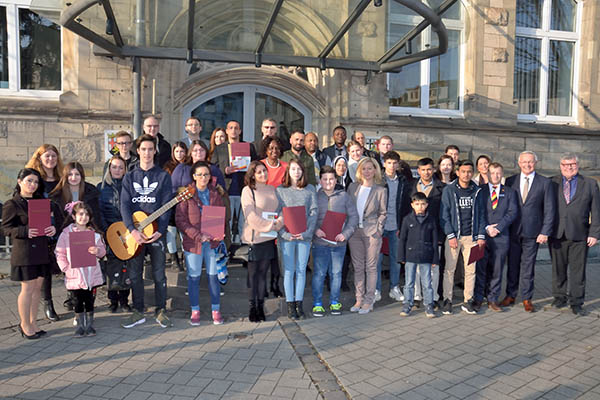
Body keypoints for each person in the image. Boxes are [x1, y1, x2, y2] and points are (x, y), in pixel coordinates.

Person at [1, 168, 63, 339]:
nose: (33, 185)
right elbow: (5, 229)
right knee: (27, 289)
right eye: (29, 180)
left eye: (36, 182)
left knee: (37, 289)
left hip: (42, 250)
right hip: (25, 252)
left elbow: (58, 219)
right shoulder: (12, 204)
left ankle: (33, 322)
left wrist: (53, 229)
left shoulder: (41, 202)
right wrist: (24, 231)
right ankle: (24, 324)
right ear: (20, 181)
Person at [120, 134, 173, 329]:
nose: (147, 153)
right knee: (135, 274)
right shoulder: (129, 176)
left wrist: (162, 230)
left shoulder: (163, 176)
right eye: (143, 149)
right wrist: (132, 231)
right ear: (138, 151)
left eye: (151, 149)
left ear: (155, 151)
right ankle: (138, 311)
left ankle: (161, 310)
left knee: (159, 274)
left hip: (157, 233)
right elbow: (124, 206)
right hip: (136, 235)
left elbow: (167, 205)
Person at [502, 151, 555, 313]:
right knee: (512, 265)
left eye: (530, 162)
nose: (527, 164)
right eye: (524, 162)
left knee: (528, 266)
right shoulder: (510, 181)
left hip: (533, 232)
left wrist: (545, 231)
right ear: (519, 163)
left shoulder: (544, 183)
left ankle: (526, 297)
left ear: (535, 163)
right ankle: (510, 295)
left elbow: (549, 209)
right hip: (513, 231)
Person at [175, 161, 226, 326]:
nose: (203, 177)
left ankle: (216, 310)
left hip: (211, 243)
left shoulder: (215, 194)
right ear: (194, 176)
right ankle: (195, 310)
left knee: (213, 277)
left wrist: (218, 233)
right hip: (193, 243)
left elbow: (220, 217)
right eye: (200, 174)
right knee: (194, 278)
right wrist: (198, 235)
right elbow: (181, 221)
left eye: (206, 174)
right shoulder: (186, 195)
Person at [549, 154, 600, 315]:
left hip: (580, 234)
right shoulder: (551, 182)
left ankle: (577, 302)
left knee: (578, 271)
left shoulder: (590, 184)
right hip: (557, 233)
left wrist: (594, 234)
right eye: (565, 164)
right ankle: (559, 297)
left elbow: (597, 211)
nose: (568, 167)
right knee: (558, 269)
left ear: (578, 165)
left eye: (572, 164)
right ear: (560, 166)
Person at [440, 159, 486, 315]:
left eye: (469, 172)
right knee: (449, 269)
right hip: (454, 237)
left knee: (471, 270)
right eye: (463, 171)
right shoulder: (449, 190)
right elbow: (444, 214)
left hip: (472, 238)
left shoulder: (477, 190)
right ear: (458, 172)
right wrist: (450, 235)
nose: (466, 174)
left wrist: (480, 236)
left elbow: (482, 215)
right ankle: (448, 300)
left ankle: (468, 300)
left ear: (472, 173)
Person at [311, 166, 358, 317]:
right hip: (320, 243)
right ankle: (317, 303)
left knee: (336, 274)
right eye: (325, 179)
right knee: (319, 273)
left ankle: (334, 301)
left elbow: (354, 217)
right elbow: (309, 217)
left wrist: (346, 233)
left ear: (336, 180)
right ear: (320, 181)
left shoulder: (344, 196)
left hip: (339, 243)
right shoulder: (315, 197)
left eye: (331, 179)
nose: (328, 182)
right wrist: (315, 230)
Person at [25, 144, 64, 321]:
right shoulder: (33, 178)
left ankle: (73, 297)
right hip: (41, 229)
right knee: (45, 268)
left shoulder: (62, 178)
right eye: (47, 156)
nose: (50, 159)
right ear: (39, 158)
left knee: (67, 263)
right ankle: (48, 303)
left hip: (60, 226)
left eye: (54, 156)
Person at [241, 161, 284, 322]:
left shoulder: (272, 189)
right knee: (253, 275)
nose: (263, 175)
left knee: (263, 275)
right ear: (252, 174)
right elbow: (250, 216)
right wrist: (269, 225)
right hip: (255, 238)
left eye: (264, 171)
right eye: (258, 172)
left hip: (269, 237)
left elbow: (280, 210)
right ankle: (253, 308)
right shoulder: (248, 191)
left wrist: (279, 222)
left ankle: (261, 305)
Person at [55, 202, 106, 337]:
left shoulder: (94, 235)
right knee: (77, 300)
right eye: (80, 214)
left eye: (86, 214)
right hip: (75, 274)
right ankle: (79, 324)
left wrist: (98, 251)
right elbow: (60, 252)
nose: (84, 217)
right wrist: (65, 268)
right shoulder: (66, 234)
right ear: (73, 216)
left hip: (90, 273)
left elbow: (102, 251)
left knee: (89, 300)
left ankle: (89, 324)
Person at [473, 162, 519, 312]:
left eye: (498, 173)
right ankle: (479, 298)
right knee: (480, 268)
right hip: (482, 236)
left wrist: (498, 228)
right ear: (488, 174)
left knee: (497, 269)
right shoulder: (480, 190)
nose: (495, 176)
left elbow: (512, 212)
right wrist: (487, 228)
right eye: (492, 173)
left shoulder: (510, 192)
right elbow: (477, 212)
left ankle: (493, 299)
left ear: (502, 174)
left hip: (501, 237)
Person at [276, 158, 318, 320]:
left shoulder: (310, 189)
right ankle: (290, 304)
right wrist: (285, 234)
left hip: (304, 236)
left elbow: (314, 212)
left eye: (299, 169)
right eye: (293, 169)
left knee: (301, 270)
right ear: (288, 171)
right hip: (287, 237)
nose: (296, 172)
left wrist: (307, 233)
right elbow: (278, 214)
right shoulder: (280, 190)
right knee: (289, 271)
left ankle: (299, 304)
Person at [172, 139, 230, 249]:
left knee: (210, 250)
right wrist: (183, 192)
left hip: (210, 215)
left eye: (201, 150)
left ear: (206, 152)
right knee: (192, 248)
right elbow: (172, 189)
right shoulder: (182, 168)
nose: (198, 153)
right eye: (195, 150)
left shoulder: (213, 169)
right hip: (189, 215)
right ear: (190, 153)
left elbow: (222, 190)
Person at [348, 158, 387, 315]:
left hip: (372, 233)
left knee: (371, 267)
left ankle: (369, 300)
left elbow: (383, 213)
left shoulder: (380, 190)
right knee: (358, 267)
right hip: (354, 232)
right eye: (364, 168)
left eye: (370, 168)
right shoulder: (352, 187)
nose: (367, 171)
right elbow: (348, 208)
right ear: (359, 170)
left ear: (375, 170)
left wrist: (379, 230)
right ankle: (359, 299)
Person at [211, 120, 258, 244]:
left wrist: (250, 169)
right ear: (226, 131)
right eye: (230, 128)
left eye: (236, 128)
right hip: (226, 190)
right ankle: (228, 247)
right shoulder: (219, 148)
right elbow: (213, 168)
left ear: (240, 131)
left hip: (244, 189)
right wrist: (224, 170)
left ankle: (244, 247)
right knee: (228, 221)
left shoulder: (248, 147)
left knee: (245, 222)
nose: (233, 130)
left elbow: (256, 165)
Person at [410, 157, 446, 308]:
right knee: (416, 266)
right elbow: (405, 210)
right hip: (415, 233)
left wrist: (441, 234)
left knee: (433, 267)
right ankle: (417, 296)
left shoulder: (442, 188)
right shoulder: (410, 187)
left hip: (434, 233)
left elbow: (445, 213)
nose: (426, 172)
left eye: (429, 169)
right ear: (418, 171)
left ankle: (433, 296)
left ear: (434, 170)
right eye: (423, 169)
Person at [98, 155, 132, 313]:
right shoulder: (101, 187)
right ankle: (113, 300)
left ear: (125, 170)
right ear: (109, 169)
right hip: (110, 232)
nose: (117, 170)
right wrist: (107, 231)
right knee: (112, 266)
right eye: (114, 167)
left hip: (127, 232)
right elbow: (99, 212)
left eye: (120, 167)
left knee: (126, 266)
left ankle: (125, 300)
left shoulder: (129, 187)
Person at [376, 151, 410, 303]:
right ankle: (376, 289)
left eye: (395, 163)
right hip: (380, 227)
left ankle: (394, 288)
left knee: (396, 259)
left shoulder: (403, 181)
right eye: (389, 162)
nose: (392, 165)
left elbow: (406, 206)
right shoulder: (378, 181)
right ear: (384, 164)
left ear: (398, 164)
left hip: (396, 226)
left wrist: (403, 226)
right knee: (377, 259)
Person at [398, 192, 438, 318]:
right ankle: (407, 304)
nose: (420, 207)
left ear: (427, 205)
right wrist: (401, 256)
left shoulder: (431, 220)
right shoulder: (407, 220)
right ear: (412, 205)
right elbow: (402, 239)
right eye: (417, 204)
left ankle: (429, 305)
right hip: (410, 255)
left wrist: (435, 258)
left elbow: (435, 240)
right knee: (409, 282)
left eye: (422, 204)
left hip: (426, 255)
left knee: (427, 283)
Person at [163, 141, 189, 271]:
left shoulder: (189, 166)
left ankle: (185, 258)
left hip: (185, 205)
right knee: (171, 232)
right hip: (171, 204)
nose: (179, 154)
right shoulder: (167, 167)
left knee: (184, 232)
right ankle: (174, 259)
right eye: (177, 151)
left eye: (182, 151)